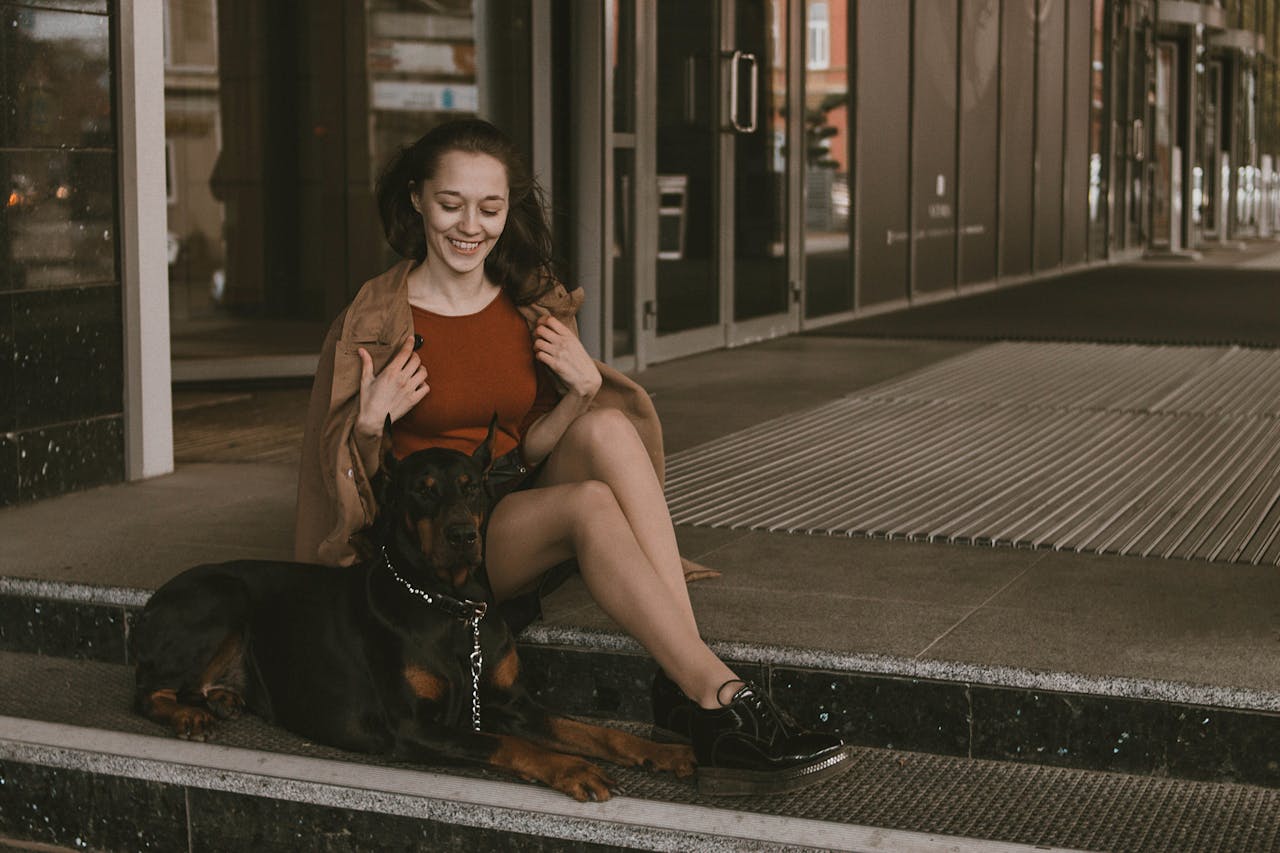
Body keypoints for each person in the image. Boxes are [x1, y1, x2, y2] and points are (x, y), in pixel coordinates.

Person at [295, 118, 849, 795]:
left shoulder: (528, 300)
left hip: (507, 506)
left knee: (607, 423)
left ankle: (688, 678)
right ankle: (713, 692)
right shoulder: (373, 320)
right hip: (437, 542)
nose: (471, 226)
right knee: (589, 503)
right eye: (450, 204)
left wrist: (579, 392)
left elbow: (528, 445)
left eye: (491, 207)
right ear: (416, 199)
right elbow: (353, 486)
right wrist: (373, 419)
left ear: (510, 208)